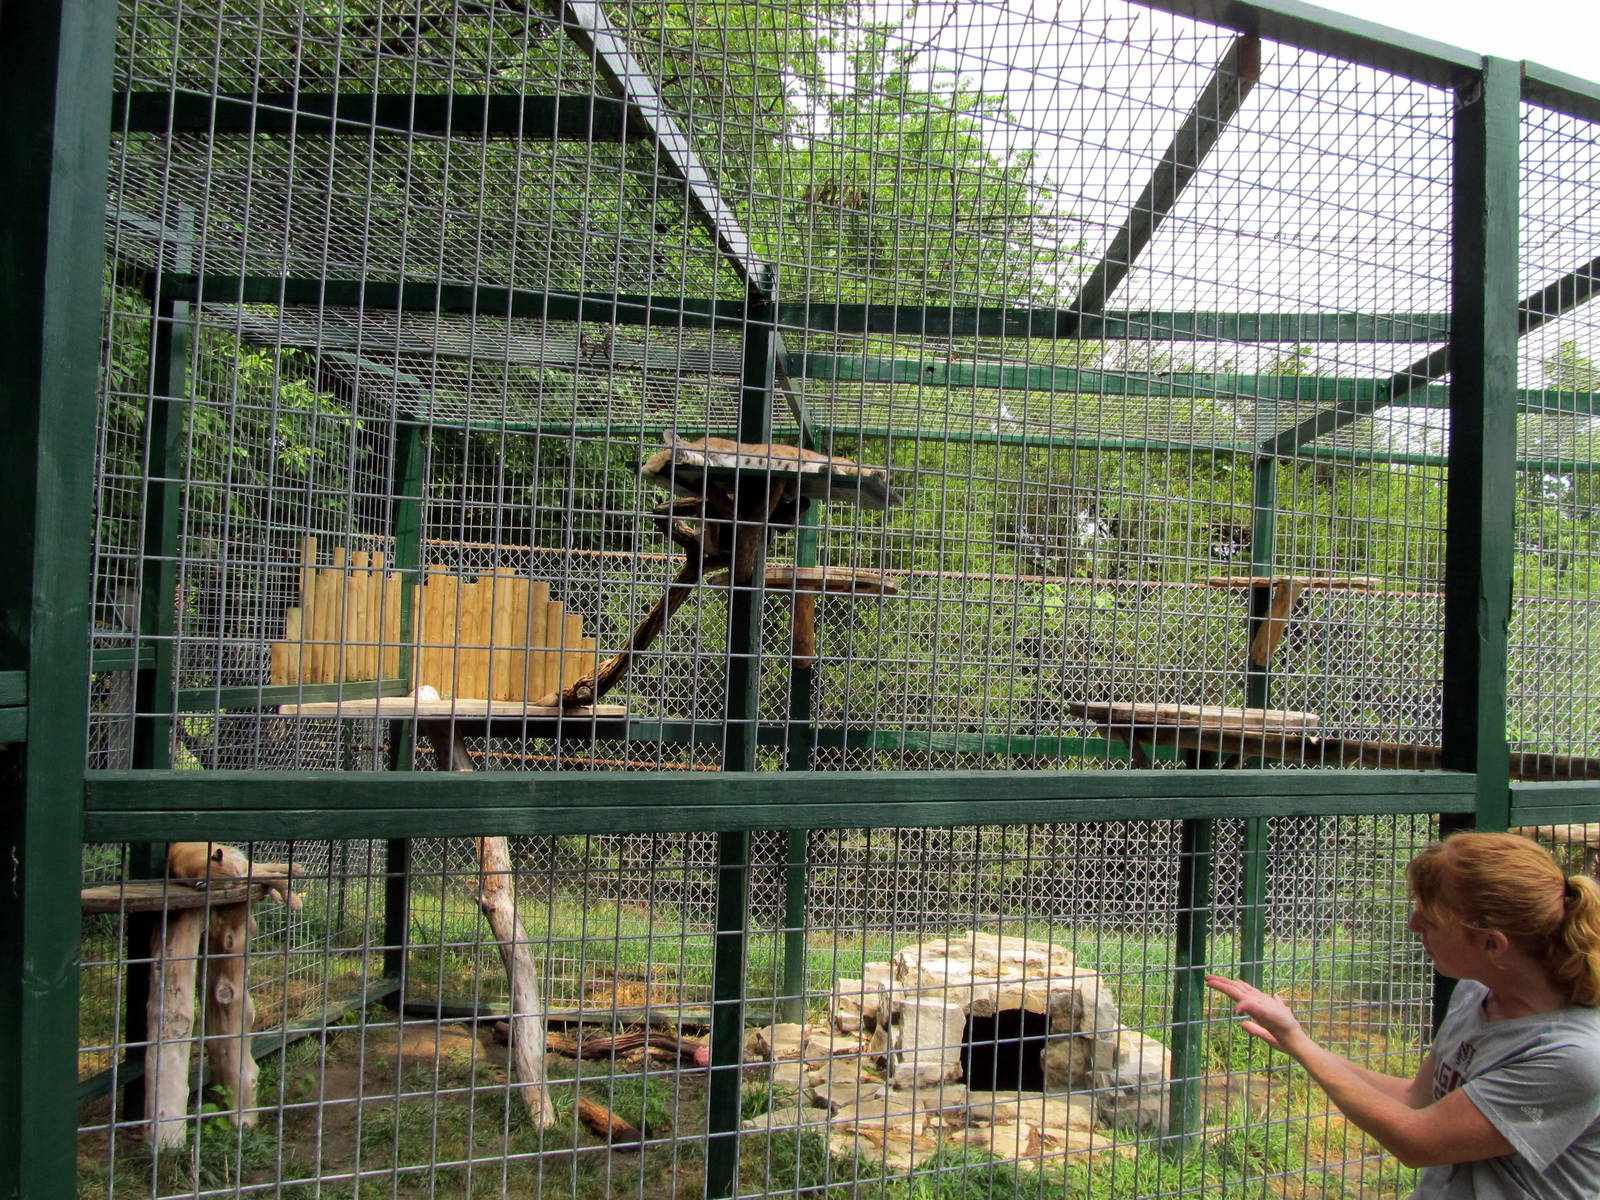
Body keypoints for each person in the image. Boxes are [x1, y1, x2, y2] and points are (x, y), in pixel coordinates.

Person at [1207, 831, 1600, 1198]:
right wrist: (1302, 1043)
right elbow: (1417, 1100)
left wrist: (1301, 1046)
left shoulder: (1572, 1057)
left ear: (1492, 944)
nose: (1413, 927)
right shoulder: (1477, 994)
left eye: (1430, 922)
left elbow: (1418, 1139)